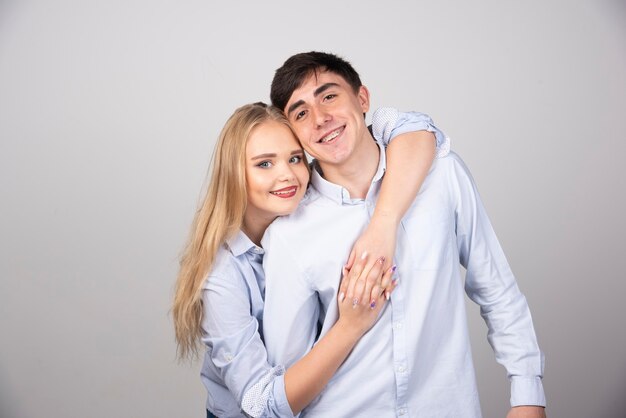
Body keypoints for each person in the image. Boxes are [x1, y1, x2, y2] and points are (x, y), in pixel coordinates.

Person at [262, 52, 547, 418]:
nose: (320, 119)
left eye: (329, 96)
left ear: (362, 99)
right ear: (294, 134)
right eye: (301, 113)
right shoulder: (288, 234)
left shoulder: (442, 175)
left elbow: (496, 289)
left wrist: (527, 395)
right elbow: (289, 376)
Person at [172, 102, 448, 417]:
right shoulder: (222, 276)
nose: (287, 175)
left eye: (294, 158)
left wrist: (384, 224)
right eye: (264, 164)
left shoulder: (315, 202)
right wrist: (350, 326)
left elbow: (410, 127)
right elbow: (261, 407)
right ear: (234, 174)